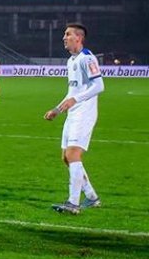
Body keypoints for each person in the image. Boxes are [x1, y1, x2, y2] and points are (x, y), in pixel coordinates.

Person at [44, 23, 104, 214]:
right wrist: (57, 109)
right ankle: (92, 197)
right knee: (66, 157)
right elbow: (72, 91)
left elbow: (99, 86)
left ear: (79, 38)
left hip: (85, 112)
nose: (64, 37)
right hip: (73, 112)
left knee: (73, 154)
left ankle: (73, 203)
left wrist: (75, 100)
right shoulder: (71, 61)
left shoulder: (87, 58)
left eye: (68, 34)